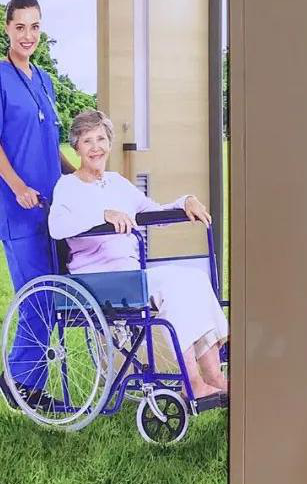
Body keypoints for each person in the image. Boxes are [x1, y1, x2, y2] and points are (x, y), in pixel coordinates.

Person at [48, 109, 229, 398]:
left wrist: (186, 201)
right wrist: (102, 215)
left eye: (101, 139)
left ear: (109, 143)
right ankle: (191, 383)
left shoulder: (117, 182)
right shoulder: (68, 186)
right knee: (175, 286)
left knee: (194, 278)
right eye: (87, 141)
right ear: (76, 147)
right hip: (99, 279)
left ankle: (214, 376)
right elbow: (57, 227)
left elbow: (153, 212)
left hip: (131, 274)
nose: (95, 147)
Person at [0, 0, 76, 410]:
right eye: (20, 26)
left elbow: (48, 139)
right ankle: (19, 384)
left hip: (52, 210)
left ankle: (25, 381)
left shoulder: (43, 79)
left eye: (35, 26)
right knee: (37, 298)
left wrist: (78, 173)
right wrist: (18, 186)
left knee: (53, 297)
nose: (28, 35)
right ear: (7, 28)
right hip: (19, 209)